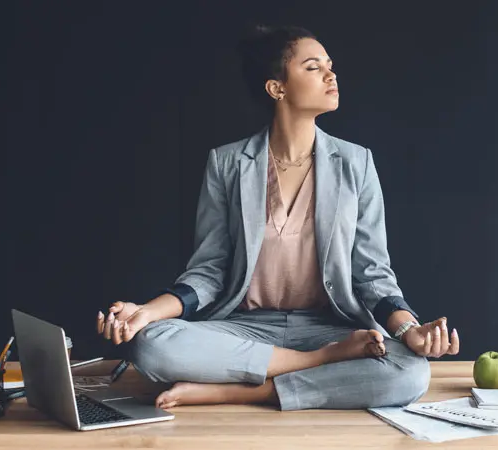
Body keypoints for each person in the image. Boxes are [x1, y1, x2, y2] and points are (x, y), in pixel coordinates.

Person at [95, 24, 460, 411]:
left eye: (330, 65)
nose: (330, 75)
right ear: (277, 88)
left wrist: (408, 329)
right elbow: (209, 271)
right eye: (313, 67)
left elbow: (372, 274)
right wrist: (146, 312)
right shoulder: (227, 163)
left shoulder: (357, 163)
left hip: (329, 326)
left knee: (411, 371)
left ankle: (241, 391)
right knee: (150, 345)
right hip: (247, 328)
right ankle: (316, 364)